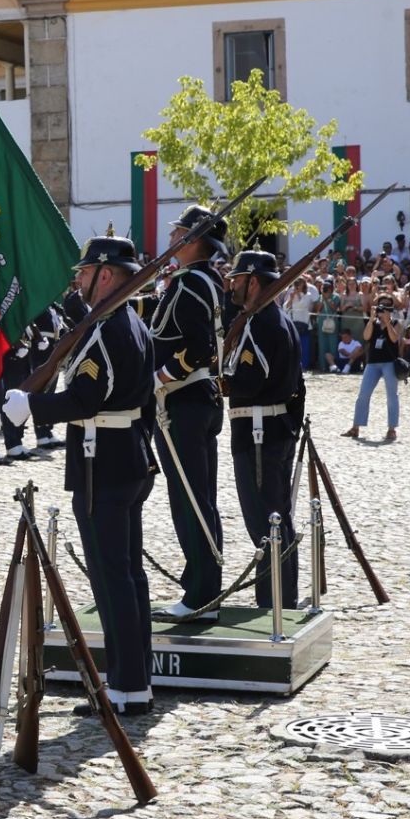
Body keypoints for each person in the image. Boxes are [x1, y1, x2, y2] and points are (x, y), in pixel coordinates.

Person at [2, 237, 156, 715]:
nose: (79, 280)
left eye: (85, 272)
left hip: (101, 464)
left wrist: (33, 406)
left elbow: (85, 399)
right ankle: (135, 683)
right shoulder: (130, 323)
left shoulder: (109, 328)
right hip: (127, 457)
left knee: (114, 580)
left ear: (105, 275)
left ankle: (124, 689)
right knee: (129, 576)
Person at [146, 205, 227, 620]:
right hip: (198, 400)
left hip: (184, 400)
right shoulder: (203, 281)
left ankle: (201, 596)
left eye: (178, 231)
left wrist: (160, 376)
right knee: (199, 497)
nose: (171, 236)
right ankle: (202, 582)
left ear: (194, 239)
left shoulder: (190, 285)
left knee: (191, 500)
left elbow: (198, 348)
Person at [220, 249, 302, 610]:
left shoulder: (261, 322)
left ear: (253, 281)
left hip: (258, 434)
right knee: (277, 520)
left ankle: (274, 604)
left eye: (237, 280)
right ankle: (282, 598)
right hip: (273, 428)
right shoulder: (273, 318)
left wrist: (217, 381)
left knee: (266, 524)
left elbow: (248, 382)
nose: (232, 286)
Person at [342, 294, 401, 442]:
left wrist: (387, 323)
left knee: (392, 395)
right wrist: (371, 319)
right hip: (373, 362)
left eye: (388, 305)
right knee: (363, 394)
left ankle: (392, 429)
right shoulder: (373, 324)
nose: (384, 307)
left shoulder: (396, 323)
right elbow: (366, 336)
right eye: (382, 305)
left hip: (389, 362)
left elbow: (394, 338)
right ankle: (356, 427)